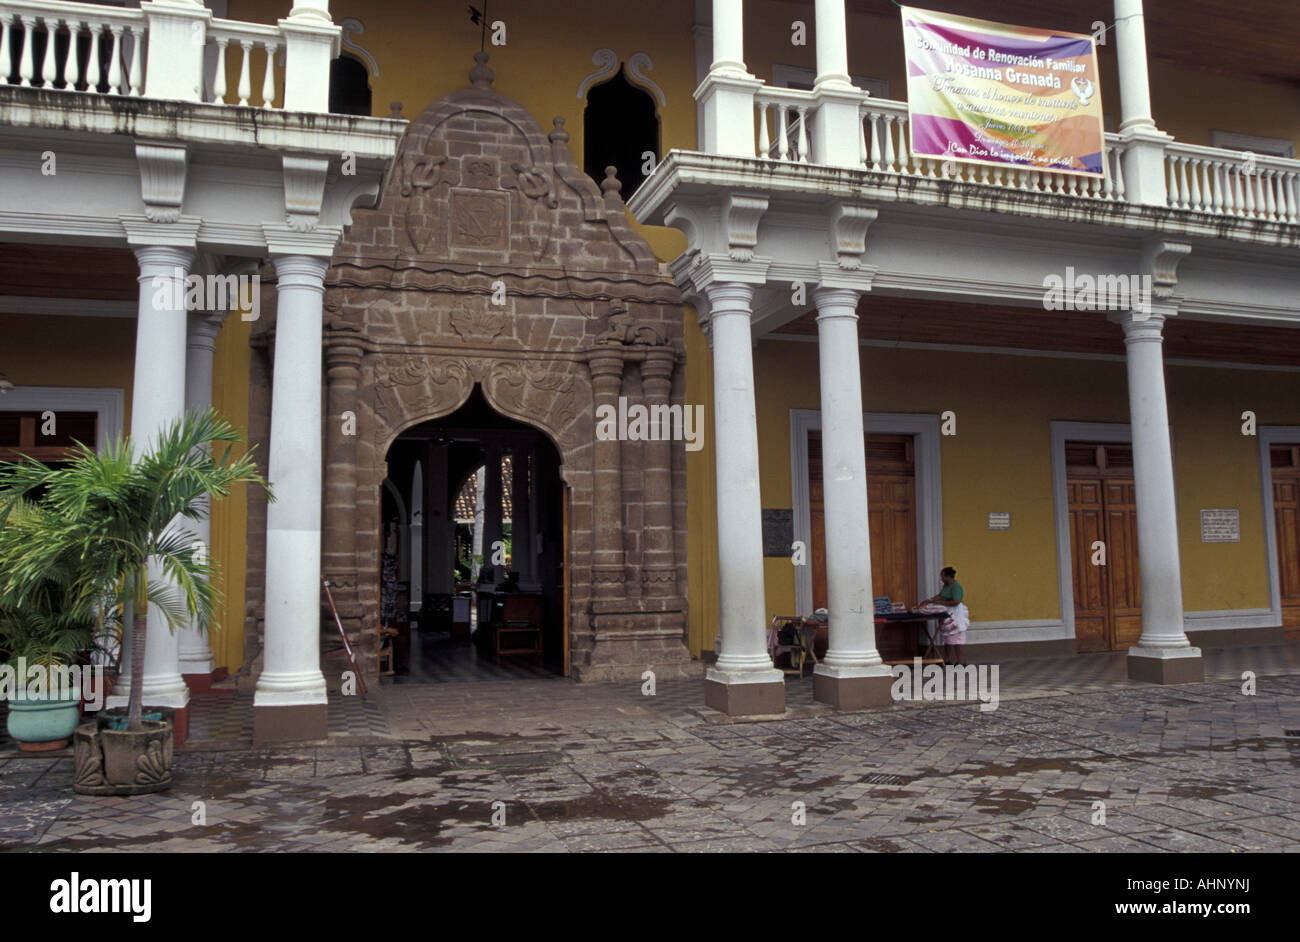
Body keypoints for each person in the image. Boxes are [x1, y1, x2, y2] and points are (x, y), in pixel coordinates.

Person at [921, 566, 969, 666]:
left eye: (942, 577)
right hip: (947, 612)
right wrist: (930, 600)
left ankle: (960, 661)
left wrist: (941, 603)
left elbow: (956, 601)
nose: (941, 579)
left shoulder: (956, 587)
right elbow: (941, 595)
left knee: (956, 639)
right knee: (947, 638)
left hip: (955, 614)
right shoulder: (946, 586)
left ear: (948, 577)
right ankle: (946, 660)